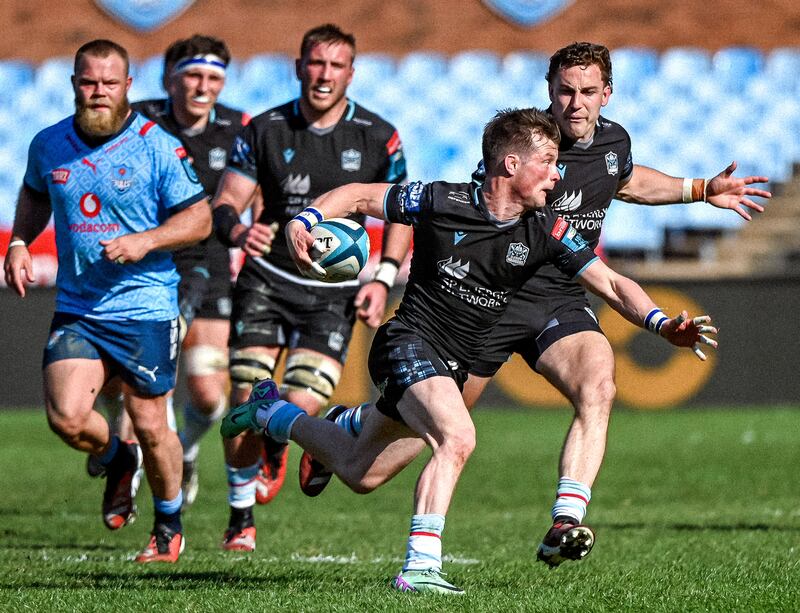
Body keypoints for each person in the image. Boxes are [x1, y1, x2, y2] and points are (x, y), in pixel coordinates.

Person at [296, 41, 772, 568]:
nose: (575, 103)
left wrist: (701, 188)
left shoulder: (612, 143)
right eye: (565, 91)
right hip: (486, 306)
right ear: (549, 93)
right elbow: (460, 218)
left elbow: (626, 181)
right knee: (378, 466)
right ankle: (349, 425)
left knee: (599, 384)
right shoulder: (525, 148)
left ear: (606, 94)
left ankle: (565, 520)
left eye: (588, 92)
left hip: (561, 295)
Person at [220, 107, 718, 594]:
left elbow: (609, 282)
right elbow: (355, 196)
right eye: (546, 161)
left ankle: (272, 414)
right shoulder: (440, 200)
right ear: (511, 164)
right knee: (457, 437)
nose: (556, 172)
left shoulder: (546, 228)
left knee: (358, 472)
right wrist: (305, 219)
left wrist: (658, 322)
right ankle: (419, 567)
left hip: (455, 364)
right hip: (407, 343)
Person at [3, 39, 211, 563]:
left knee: (149, 422)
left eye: (109, 83)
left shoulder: (156, 145)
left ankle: (168, 525)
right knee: (68, 418)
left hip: (145, 304)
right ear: (75, 82)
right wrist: (21, 241)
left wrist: (147, 240)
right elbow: (32, 193)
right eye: (88, 82)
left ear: (127, 87)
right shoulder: (50, 143)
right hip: (80, 305)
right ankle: (119, 460)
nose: (98, 92)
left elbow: (199, 219)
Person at [211, 23, 409, 551]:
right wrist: (237, 228)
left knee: (297, 399)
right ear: (299, 67)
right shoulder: (265, 128)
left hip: (333, 296)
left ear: (350, 72)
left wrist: (383, 279)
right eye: (315, 64)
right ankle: (240, 517)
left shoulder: (378, 136)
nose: (323, 75)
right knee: (247, 397)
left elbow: (401, 215)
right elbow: (228, 199)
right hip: (267, 282)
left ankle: (280, 444)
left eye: (335, 65)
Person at [126, 34, 252, 507]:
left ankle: (188, 449)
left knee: (205, 394)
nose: (203, 87)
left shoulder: (240, 128)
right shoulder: (137, 120)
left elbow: (255, 196)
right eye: (193, 75)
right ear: (169, 79)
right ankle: (137, 463)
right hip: (148, 258)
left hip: (211, 262)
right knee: (139, 381)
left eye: (213, 78)